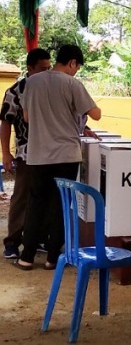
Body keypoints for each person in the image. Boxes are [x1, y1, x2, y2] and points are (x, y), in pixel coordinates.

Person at [15, 45, 101, 270]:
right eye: (77, 67)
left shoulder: (32, 82)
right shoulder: (72, 83)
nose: (76, 71)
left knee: (36, 204)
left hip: (38, 155)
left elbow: (26, 116)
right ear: (72, 63)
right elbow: (96, 114)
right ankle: (53, 258)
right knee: (61, 204)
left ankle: (27, 257)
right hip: (66, 155)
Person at [1, 48, 52, 259]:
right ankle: (12, 241)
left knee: (45, 197)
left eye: (49, 68)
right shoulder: (15, 92)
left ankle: (39, 238)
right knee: (22, 196)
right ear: (30, 68)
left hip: (52, 153)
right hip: (26, 153)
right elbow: (5, 122)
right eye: (42, 69)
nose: (47, 73)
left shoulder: (52, 89)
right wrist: (6, 153)